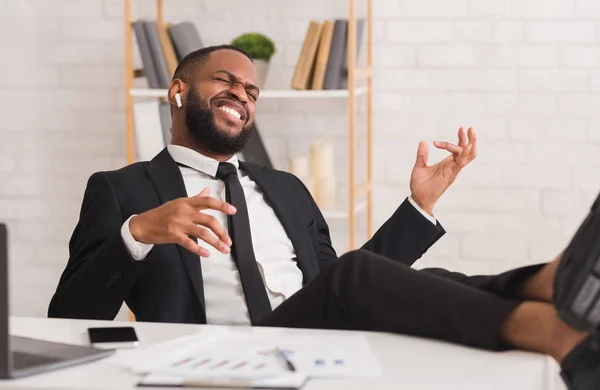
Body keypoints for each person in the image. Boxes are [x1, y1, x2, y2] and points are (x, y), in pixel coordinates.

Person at [48, 45, 598, 389]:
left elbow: (346, 288)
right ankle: (553, 321)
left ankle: (552, 284)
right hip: (219, 364)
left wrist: (420, 207)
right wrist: (138, 232)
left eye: (251, 90)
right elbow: (67, 316)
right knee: (359, 278)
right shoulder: (122, 190)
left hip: (310, 345)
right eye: (224, 80)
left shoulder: (283, 188)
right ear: (178, 91)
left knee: (429, 282)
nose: (242, 92)